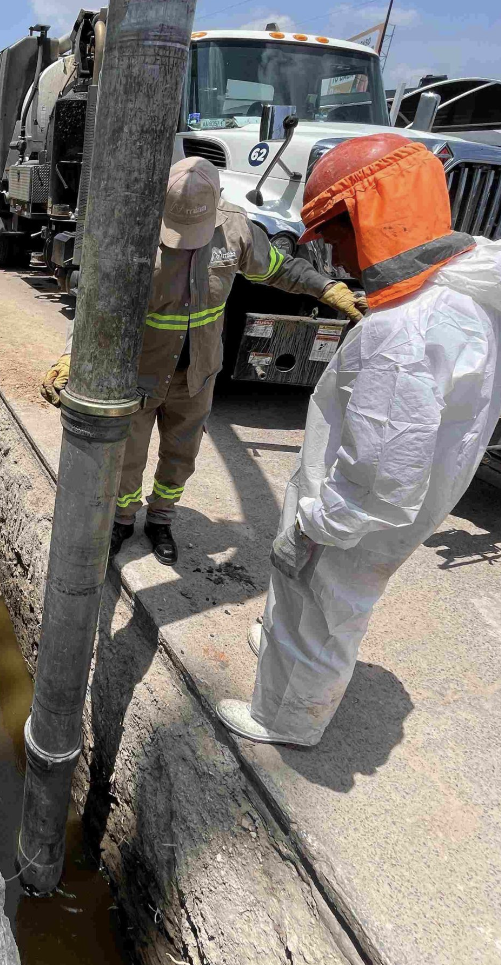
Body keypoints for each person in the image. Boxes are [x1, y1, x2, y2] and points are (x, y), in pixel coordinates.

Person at [217, 134, 501, 747]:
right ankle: (285, 652)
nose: (333, 254)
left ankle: (287, 720)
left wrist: (319, 525)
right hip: (395, 500)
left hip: (354, 512)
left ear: (370, 217)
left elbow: (383, 468)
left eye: (334, 233)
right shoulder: (460, 291)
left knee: (322, 602)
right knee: (315, 599)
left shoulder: (403, 331)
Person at [40, 156, 363, 564]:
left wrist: (326, 288)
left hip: (198, 374)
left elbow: (279, 269)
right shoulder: (135, 232)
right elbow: (98, 304)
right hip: (140, 373)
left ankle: (161, 518)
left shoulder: (236, 229)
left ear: (216, 204)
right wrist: (73, 355)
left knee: (181, 455)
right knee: (127, 456)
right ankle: (123, 518)